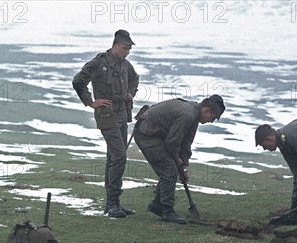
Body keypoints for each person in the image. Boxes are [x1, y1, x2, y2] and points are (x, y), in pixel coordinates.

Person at [72, 30, 139, 218]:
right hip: (106, 115)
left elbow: (135, 79)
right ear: (115, 45)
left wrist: (131, 93)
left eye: (129, 49)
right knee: (119, 156)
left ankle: (112, 204)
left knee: (113, 158)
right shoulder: (98, 62)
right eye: (125, 48)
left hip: (122, 113)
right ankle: (113, 203)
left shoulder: (126, 65)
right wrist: (91, 102)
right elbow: (78, 81)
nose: (127, 52)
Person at [134, 95, 226, 224]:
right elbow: (173, 142)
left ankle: (158, 204)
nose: (212, 121)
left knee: (171, 169)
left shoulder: (194, 116)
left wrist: (184, 166)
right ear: (206, 111)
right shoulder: (187, 114)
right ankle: (167, 211)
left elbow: (186, 143)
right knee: (169, 170)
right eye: (213, 118)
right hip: (146, 134)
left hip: (157, 135)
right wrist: (178, 161)